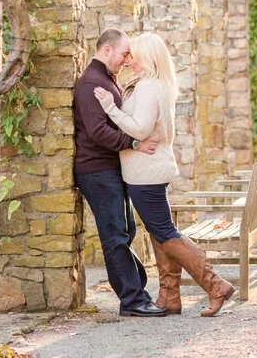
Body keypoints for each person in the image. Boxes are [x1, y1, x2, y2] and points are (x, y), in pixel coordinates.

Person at [94, 32, 236, 317]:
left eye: (134, 55)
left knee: (166, 233)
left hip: (146, 174)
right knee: (160, 234)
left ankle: (216, 285)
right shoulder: (153, 84)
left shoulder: (149, 87)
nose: (129, 60)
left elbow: (141, 129)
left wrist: (110, 108)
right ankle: (169, 296)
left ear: (147, 57)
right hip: (146, 172)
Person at [73, 28, 165, 317]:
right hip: (97, 171)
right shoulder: (90, 82)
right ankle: (132, 300)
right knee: (115, 235)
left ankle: (137, 288)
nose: (127, 60)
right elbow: (98, 131)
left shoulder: (106, 79)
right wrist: (135, 143)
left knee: (126, 230)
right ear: (107, 50)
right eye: (125, 54)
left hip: (111, 169)